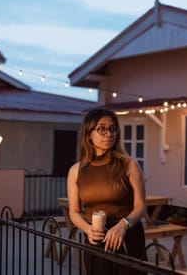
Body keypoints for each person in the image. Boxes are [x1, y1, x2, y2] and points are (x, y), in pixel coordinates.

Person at [67, 108, 147, 275]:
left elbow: (141, 206)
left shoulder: (129, 165)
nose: (109, 134)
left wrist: (123, 225)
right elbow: (74, 212)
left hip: (127, 238)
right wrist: (88, 229)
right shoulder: (76, 171)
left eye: (112, 129)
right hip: (95, 240)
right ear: (89, 134)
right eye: (102, 128)